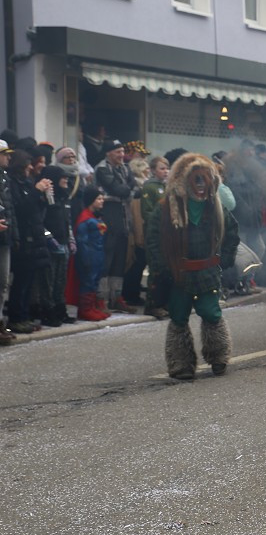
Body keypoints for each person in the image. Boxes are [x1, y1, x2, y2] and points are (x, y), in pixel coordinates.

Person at [146, 153, 240, 379]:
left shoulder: (215, 207)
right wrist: (162, 267)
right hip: (179, 274)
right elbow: (153, 239)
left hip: (207, 273)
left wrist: (225, 259)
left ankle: (219, 357)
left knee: (211, 313)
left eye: (204, 179)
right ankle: (180, 365)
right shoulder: (167, 208)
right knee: (178, 317)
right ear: (183, 180)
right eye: (195, 179)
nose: (200, 185)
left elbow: (232, 233)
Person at [6, 150, 51, 333]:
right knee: (20, 282)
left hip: (34, 236)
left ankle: (24, 316)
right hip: (23, 238)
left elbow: (35, 209)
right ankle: (16, 318)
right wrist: (36, 191)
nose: (31, 168)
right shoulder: (13, 184)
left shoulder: (26, 183)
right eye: (27, 165)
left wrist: (43, 196)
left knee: (28, 280)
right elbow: (21, 209)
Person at [94, 138, 138, 313]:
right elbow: (118, 189)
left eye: (122, 151)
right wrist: (127, 189)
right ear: (108, 153)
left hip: (123, 216)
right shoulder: (103, 168)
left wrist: (126, 189)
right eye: (117, 152)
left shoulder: (125, 168)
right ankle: (101, 298)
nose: (121, 155)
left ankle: (116, 297)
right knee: (107, 257)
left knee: (120, 258)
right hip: (108, 214)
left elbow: (133, 188)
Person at [38, 164, 76, 326]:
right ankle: (48, 312)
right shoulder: (44, 198)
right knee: (48, 281)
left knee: (61, 281)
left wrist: (71, 239)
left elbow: (67, 221)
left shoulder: (63, 197)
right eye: (63, 177)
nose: (66, 180)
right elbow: (39, 221)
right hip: (49, 244)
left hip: (63, 242)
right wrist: (49, 238)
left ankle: (60, 310)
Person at [68, 187, 110, 322]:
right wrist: (85, 258)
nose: (102, 201)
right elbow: (82, 240)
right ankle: (85, 309)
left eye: (102, 198)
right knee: (88, 282)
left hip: (97, 255)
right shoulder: (85, 218)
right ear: (91, 200)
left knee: (94, 281)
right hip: (89, 256)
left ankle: (91, 307)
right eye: (99, 198)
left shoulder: (95, 217)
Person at [139, 157, 170, 319]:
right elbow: (147, 213)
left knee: (167, 269)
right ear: (153, 170)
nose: (165, 171)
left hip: (167, 234)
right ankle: (151, 305)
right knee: (155, 269)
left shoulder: (168, 187)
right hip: (154, 233)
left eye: (166, 168)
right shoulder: (149, 187)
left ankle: (164, 302)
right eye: (161, 168)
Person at [0, 142, 19, 344]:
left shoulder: (5, 177)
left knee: (3, 282)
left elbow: (10, 209)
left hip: (5, 236)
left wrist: (15, 235)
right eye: (4, 154)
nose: (8, 158)